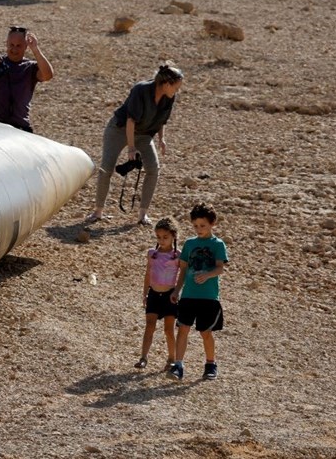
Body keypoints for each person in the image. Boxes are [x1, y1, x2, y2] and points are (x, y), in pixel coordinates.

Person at [84, 62, 184, 226]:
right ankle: (98, 211)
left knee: (153, 169)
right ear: (166, 84)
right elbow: (130, 121)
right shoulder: (141, 90)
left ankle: (143, 215)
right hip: (120, 129)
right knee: (106, 169)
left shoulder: (169, 97)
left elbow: (161, 121)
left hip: (144, 134)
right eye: (176, 87)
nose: (177, 91)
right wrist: (131, 148)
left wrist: (161, 139)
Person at [169, 202, 229, 381]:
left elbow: (220, 269)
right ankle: (178, 365)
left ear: (212, 223)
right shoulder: (189, 244)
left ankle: (211, 363)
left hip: (209, 297)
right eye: (195, 226)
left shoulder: (218, 244)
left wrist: (207, 275)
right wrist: (177, 290)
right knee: (183, 328)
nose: (199, 229)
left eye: (203, 225)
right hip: (189, 295)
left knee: (206, 332)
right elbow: (183, 270)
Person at [0, 26, 54, 132]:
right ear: (6, 44)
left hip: (19, 127)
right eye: (11, 45)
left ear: (26, 47)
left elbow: (48, 75)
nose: (14, 49)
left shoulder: (30, 67)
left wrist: (36, 50)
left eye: (19, 46)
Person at [136, 217, 181, 371]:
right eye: (158, 237)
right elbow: (148, 273)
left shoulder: (178, 256)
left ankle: (171, 358)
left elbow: (182, 275)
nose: (161, 240)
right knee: (149, 326)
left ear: (173, 236)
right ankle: (143, 357)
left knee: (169, 330)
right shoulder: (152, 253)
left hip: (169, 296)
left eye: (165, 237)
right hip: (154, 294)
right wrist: (144, 293)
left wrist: (177, 291)